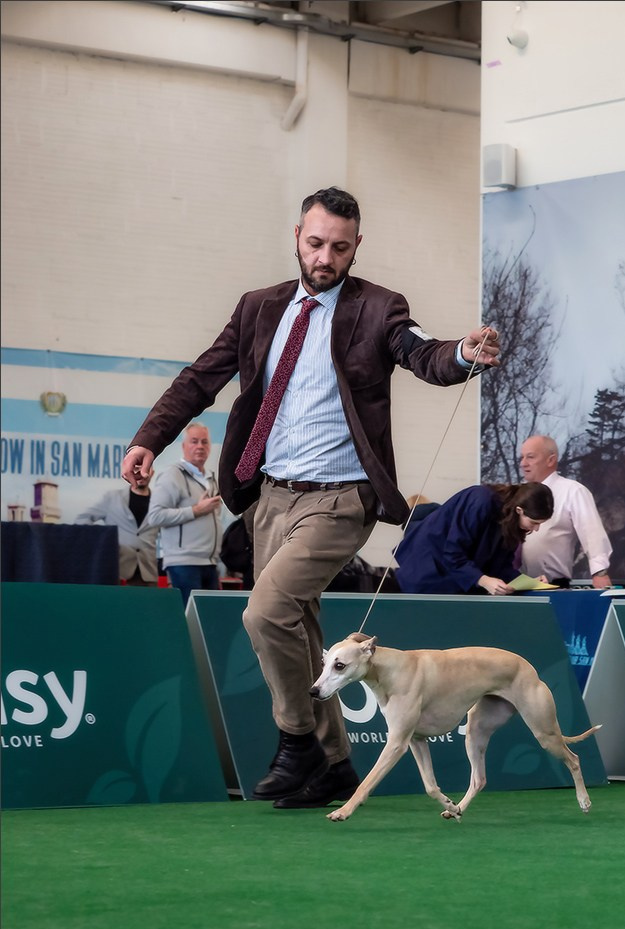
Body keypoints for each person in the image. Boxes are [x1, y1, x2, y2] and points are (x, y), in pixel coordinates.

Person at [121, 186, 500, 810]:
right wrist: (150, 439)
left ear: (357, 247)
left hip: (341, 499)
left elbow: (421, 352)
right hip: (269, 497)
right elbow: (200, 379)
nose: (326, 258)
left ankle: (296, 739)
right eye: (316, 243)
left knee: (264, 612)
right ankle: (333, 767)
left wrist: (463, 354)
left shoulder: (380, 309)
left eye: (341, 248)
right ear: (298, 235)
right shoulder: (257, 308)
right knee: (300, 629)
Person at [393, 481, 554, 595]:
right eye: (534, 522)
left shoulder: (510, 523)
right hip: (429, 575)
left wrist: (530, 583)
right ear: (519, 510)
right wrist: (482, 579)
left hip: (454, 581)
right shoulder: (480, 501)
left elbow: (501, 567)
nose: (536, 529)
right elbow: (453, 554)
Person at [145, 422, 224, 607]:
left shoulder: (210, 478)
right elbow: (155, 516)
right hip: (184, 563)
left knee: (208, 622)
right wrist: (196, 510)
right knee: (190, 624)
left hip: (210, 562)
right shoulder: (172, 476)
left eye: (204, 442)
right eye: (194, 441)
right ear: (183, 446)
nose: (200, 446)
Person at [519, 434, 612, 588]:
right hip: (515, 586)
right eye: (521, 457)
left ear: (550, 460)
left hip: (553, 587)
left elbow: (592, 534)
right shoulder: (516, 493)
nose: (523, 463)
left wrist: (599, 573)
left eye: (530, 457)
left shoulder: (573, 491)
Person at [74, 469, 159, 586]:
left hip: (148, 573)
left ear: (152, 472)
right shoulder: (112, 498)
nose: (141, 474)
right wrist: (101, 543)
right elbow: (82, 519)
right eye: (137, 470)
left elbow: (170, 538)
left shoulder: (160, 502)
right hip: (116, 571)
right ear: (130, 472)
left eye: (146, 470)